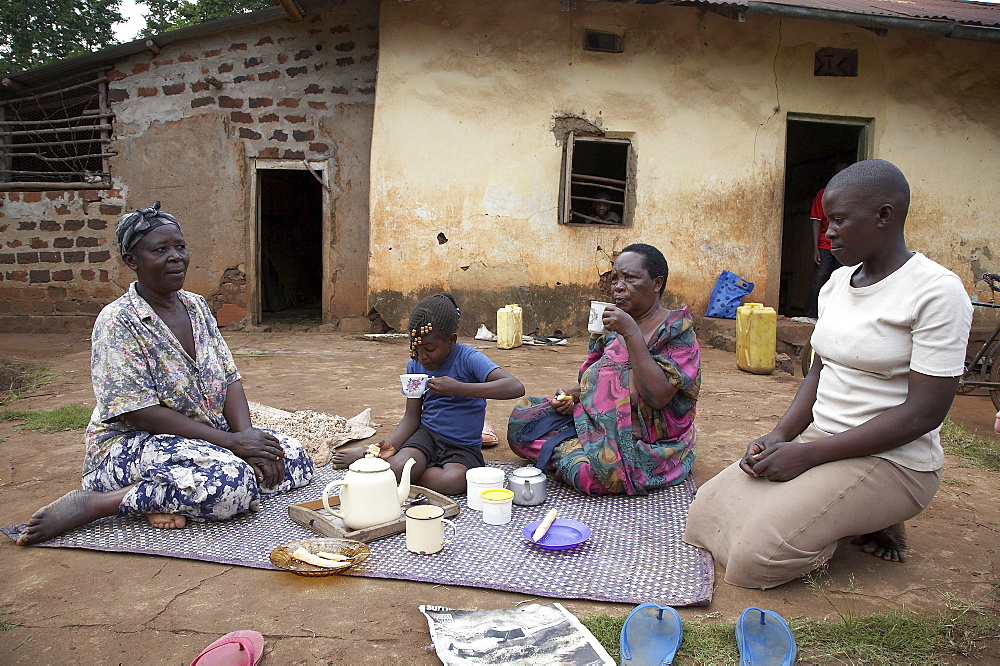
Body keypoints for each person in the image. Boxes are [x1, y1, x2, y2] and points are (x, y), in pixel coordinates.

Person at [684, 160, 974, 589]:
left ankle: (867, 518)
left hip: (893, 460)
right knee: (702, 519)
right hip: (821, 442)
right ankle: (843, 511)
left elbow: (923, 414)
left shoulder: (937, 292)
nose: (828, 232)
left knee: (754, 561)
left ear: (884, 216)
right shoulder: (836, 283)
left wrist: (808, 457)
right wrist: (781, 436)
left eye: (838, 220)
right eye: (825, 221)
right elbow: (818, 373)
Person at [16, 202, 314, 546]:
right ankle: (99, 503)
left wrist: (246, 438)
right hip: (131, 445)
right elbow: (139, 413)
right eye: (160, 250)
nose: (176, 257)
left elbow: (229, 378)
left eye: (180, 247)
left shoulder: (196, 306)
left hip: (202, 436)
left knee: (292, 458)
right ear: (132, 261)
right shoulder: (118, 321)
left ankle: (167, 494)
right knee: (231, 485)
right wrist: (231, 443)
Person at [507, 243, 700, 495]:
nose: (619, 286)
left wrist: (631, 332)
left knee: (590, 474)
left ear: (657, 283)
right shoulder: (610, 326)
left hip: (645, 441)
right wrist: (573, 395)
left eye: (630, 278)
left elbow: (657, 395)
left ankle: (575, 454)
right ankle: (576, 449)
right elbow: (597, 379)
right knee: (522, 421)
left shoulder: (676, 333)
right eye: (615, 279)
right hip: (594, 422)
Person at [332, 293, 524, 495]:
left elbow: (514, 386)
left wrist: (459, 389)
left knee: (454, 481)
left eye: (430, 349)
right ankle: (377, 457)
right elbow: (412, 415)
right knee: (400, 465)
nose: (422, 357)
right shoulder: (415, 364)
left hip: (462, 445)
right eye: (415, 349)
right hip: (426, 436)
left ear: (451, 340)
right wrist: (393, 444)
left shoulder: (469, 359)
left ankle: (402, 473)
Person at [802, 162, 850, 319]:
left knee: (843, 282)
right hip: (826, 245)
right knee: (820, 279)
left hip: (846, 246)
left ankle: (835, 317)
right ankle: (810, 314)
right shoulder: (823, 194)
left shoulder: (853, 196)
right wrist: (815, 248)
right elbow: (816, 220)